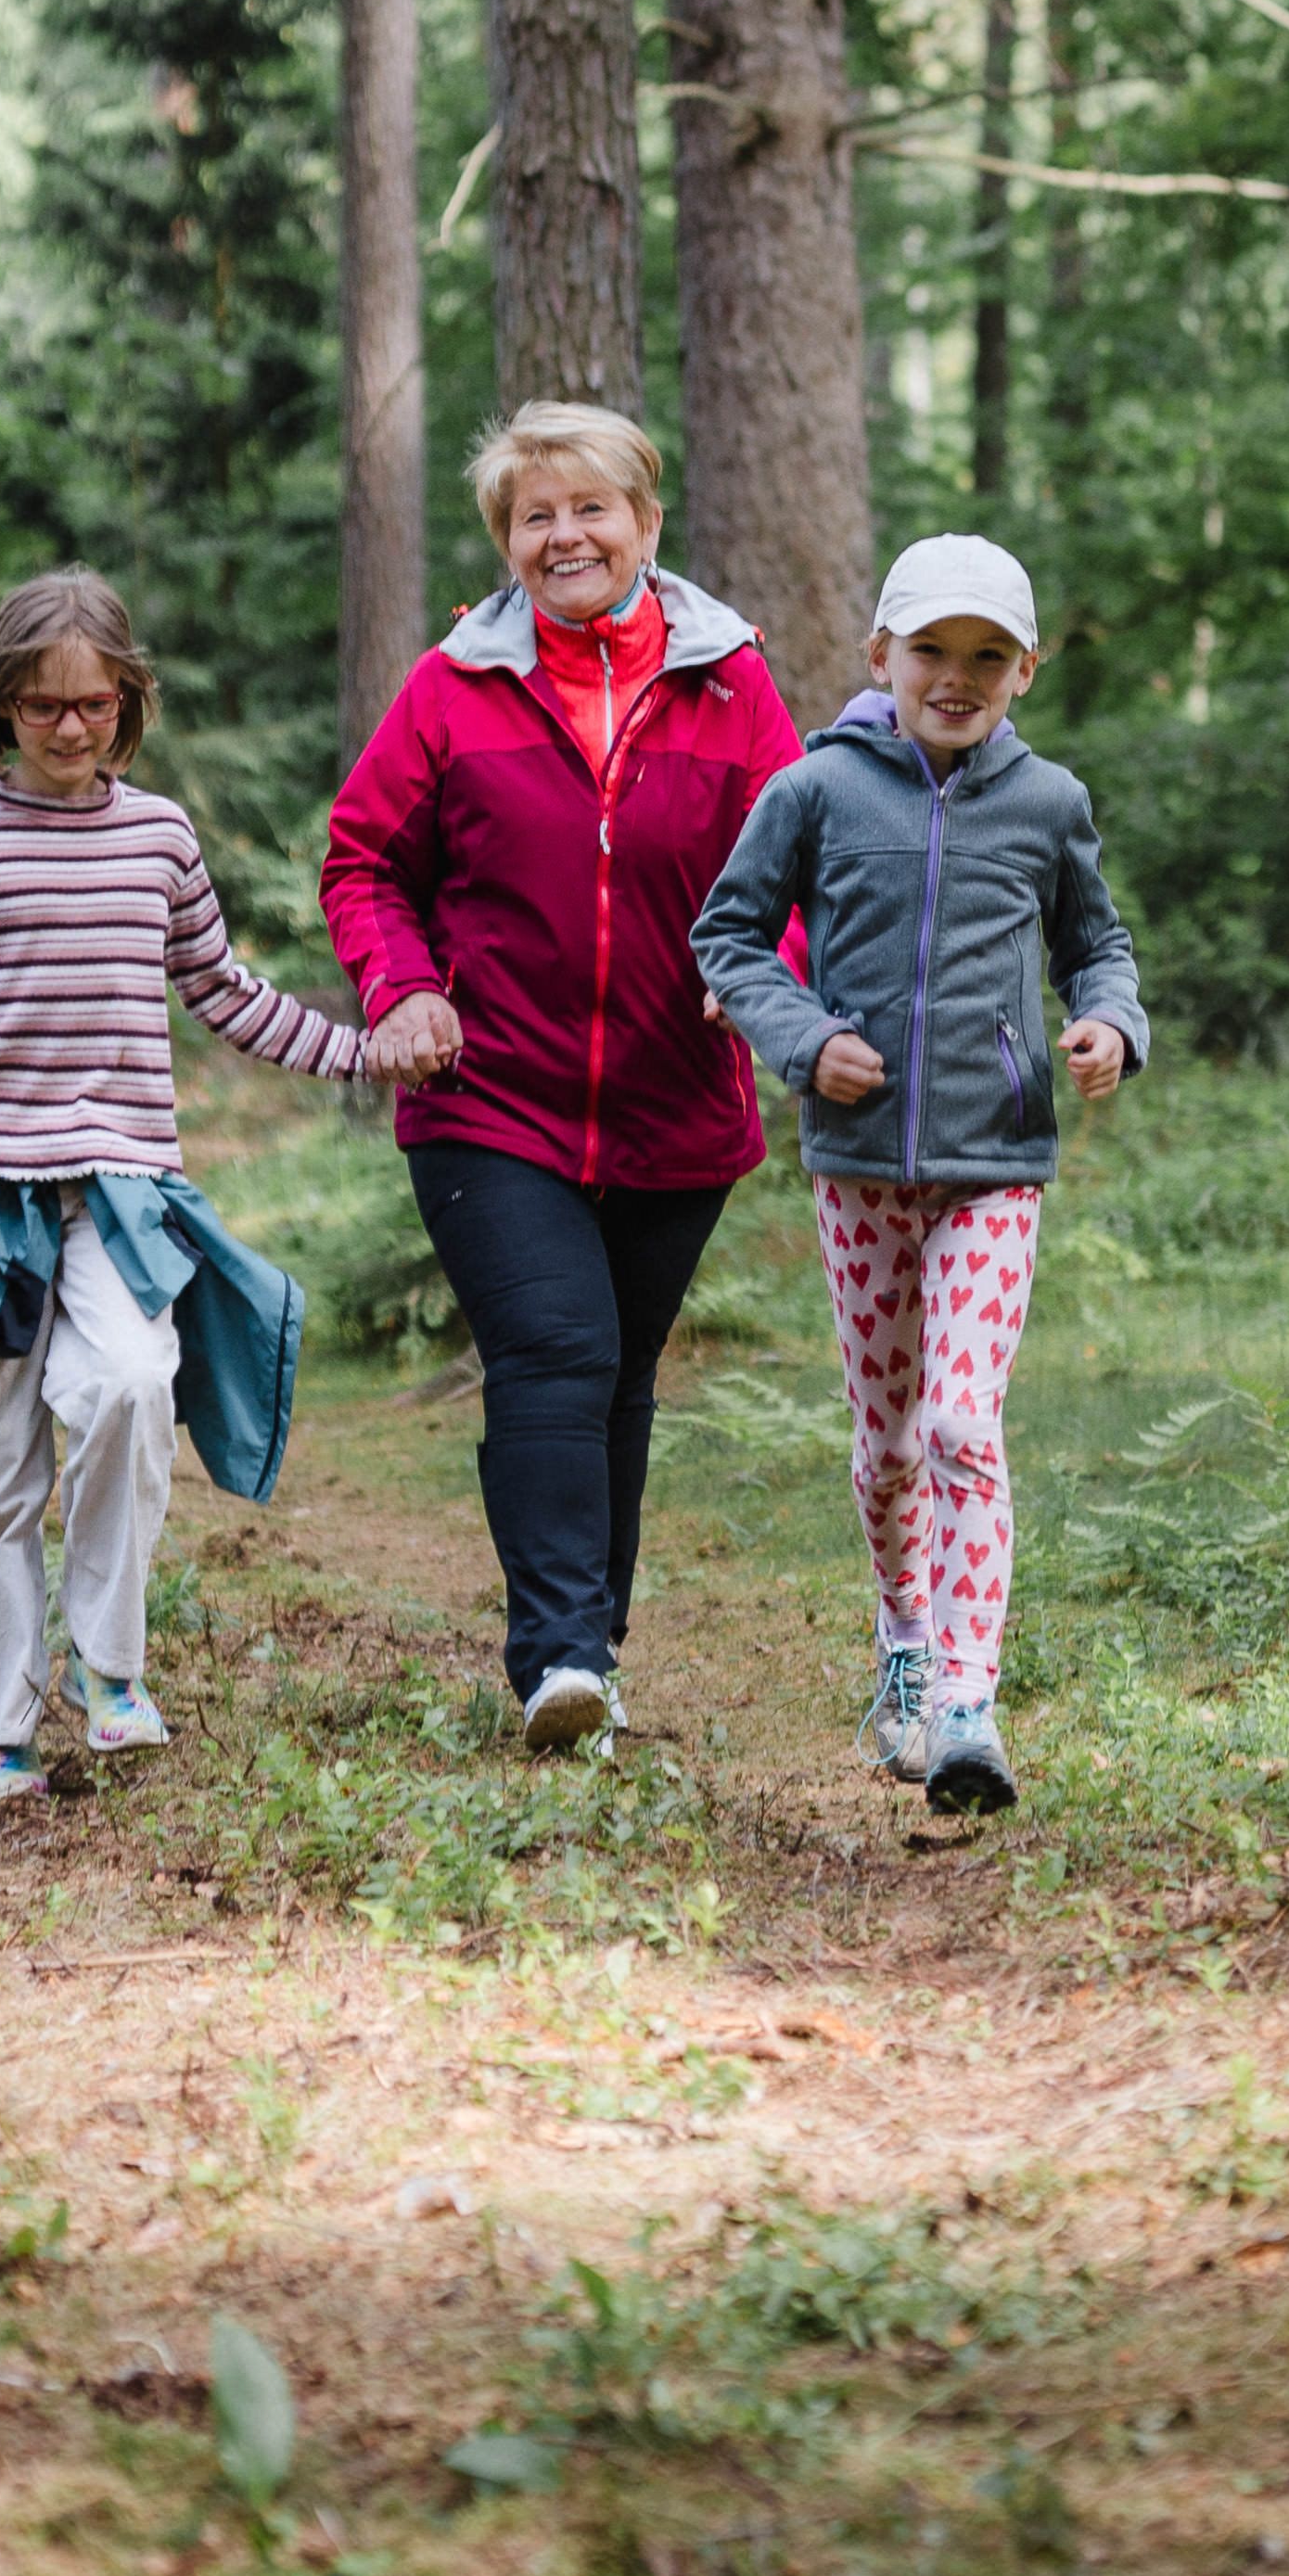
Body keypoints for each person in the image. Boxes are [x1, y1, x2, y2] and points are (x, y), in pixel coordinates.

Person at [0, 571, 382, 1805]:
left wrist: (360, 1055)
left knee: (133, 1381)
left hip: (121, 1194)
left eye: (93, 703)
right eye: (42, 705)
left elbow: (225, 990)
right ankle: (1, 1727)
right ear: (1, 705)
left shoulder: (161, 837)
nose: (69, 727)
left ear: (129, 700)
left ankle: (109, 1662)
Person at [319, 399, 806, 1756]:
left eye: (591, 507)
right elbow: (363, 861)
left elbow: (797, 866)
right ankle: (560, 1656)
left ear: (645, 522)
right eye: (536, 514)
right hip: (490, 1093)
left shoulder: (731, 683)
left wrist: (761, 973)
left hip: (677, 1096)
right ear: (506, 540)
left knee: (621, 1375)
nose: (565, 534)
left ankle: (594, 1649)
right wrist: (402, 985)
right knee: (555, 1347)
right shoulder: (451, 688)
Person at [685, 536, 1147, 1820]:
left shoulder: (1047, 801)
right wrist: (803, 1037)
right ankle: (902, 1633)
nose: (957, 676)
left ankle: (965, 1702)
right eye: (931, 650)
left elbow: (1097, 942)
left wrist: (1111, 1021)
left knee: (959, 1424)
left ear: (1025, 669)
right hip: (859, 1169)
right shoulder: (816, 788)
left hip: (996, 1163)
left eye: (987, 655)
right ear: (879, 654)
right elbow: (728, 935)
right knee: (889, 1444)